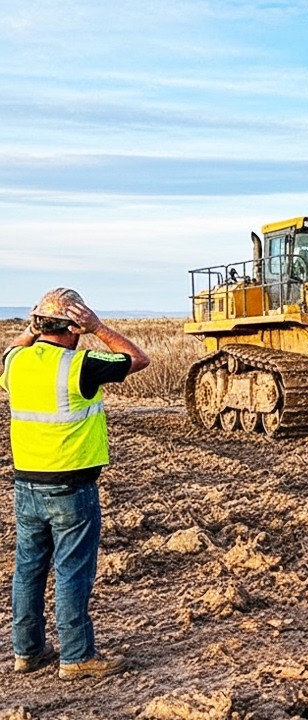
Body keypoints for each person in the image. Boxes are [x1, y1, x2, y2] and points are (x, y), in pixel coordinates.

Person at [1, 288, 150, 679]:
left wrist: (31, 329)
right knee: (72, 572)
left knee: (28, 570)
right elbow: (138, 358)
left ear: (36, 324)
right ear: (74, 326)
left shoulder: (14, 361)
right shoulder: (79, 365)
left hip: (26, 486)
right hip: (71, 488)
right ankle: (77, 656)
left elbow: (15, 347)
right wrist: (98, 326)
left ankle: (27, 652)